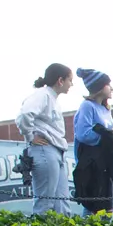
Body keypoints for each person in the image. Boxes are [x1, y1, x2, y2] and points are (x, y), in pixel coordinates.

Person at [15, 63, 73, 216]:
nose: (71, 84)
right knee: (45, 203)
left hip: (56, 150)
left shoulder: (51, 98)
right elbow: (25, 114)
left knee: (63, 204)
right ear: (60, 80)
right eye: (70, 80)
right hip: (44, 149)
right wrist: (29, 137)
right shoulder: (43, 95)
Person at [71, 69, 113, 216]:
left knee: (108, 208)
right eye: (108, 84)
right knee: (94, 208)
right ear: (99, 87)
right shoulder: (87, 106)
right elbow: (83, 134)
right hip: (93, 165)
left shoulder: (105, 109)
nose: (111, 88)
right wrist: (109, 134)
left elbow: (106, 134)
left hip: (107, 164)